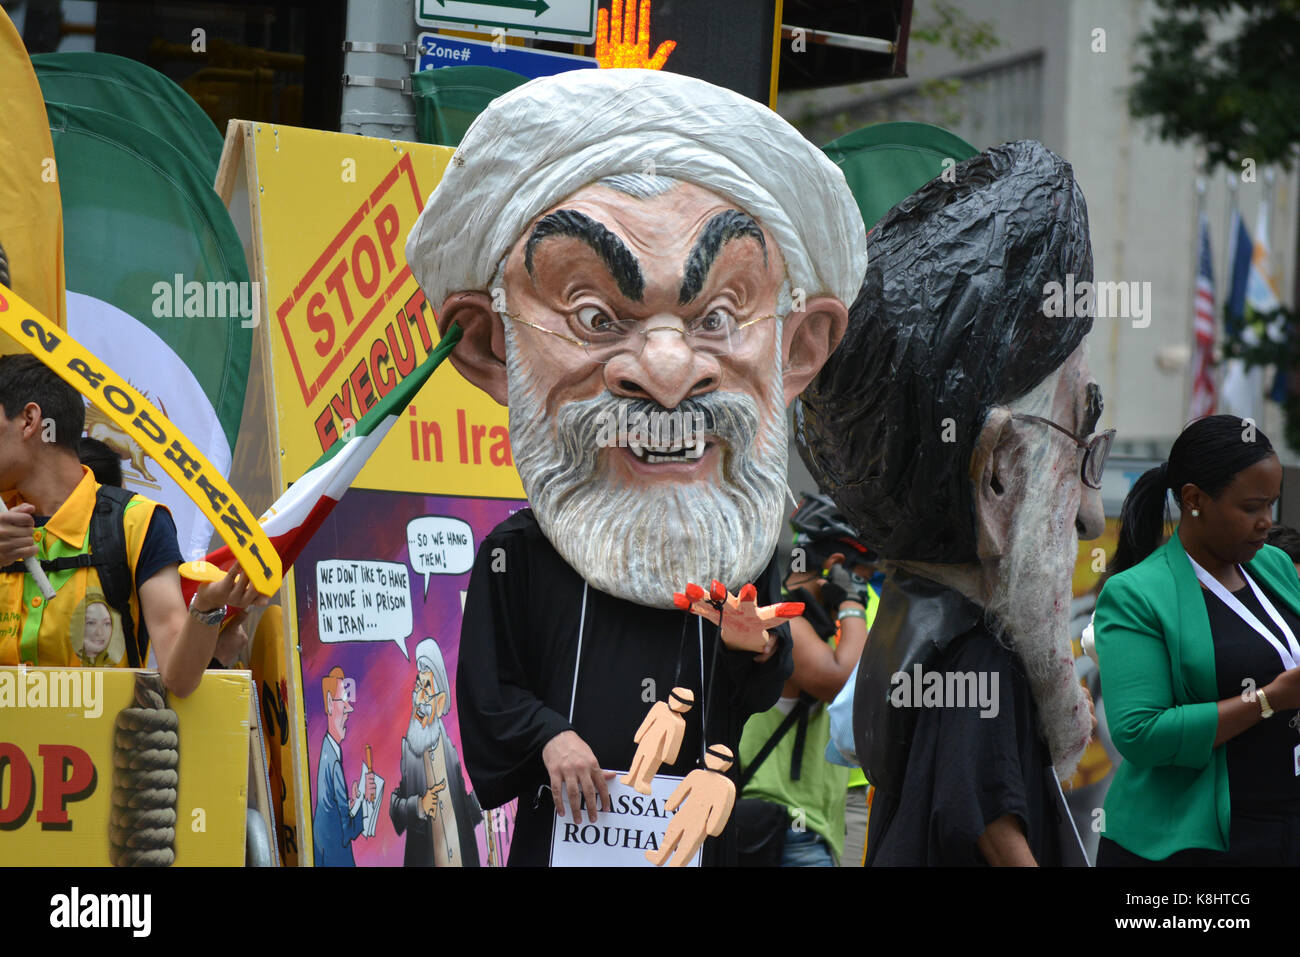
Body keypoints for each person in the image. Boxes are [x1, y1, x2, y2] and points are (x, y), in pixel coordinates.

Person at [405, 68, 867, 865]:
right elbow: (487, 694)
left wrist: (755, 648)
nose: (664, 368)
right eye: (593, 315)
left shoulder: (743, 551)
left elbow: (754, 694)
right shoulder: (518, 557)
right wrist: (551, 739)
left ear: (797, 350)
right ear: (491, 346)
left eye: (718, 315)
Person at [796, 140, 1104, 866]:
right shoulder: (982, 659)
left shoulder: (909, 629)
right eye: (1081, 444)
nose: (1090, 514)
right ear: (997, 476)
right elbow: (990, 823)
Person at [1094, 415, 1300, 865]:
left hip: (1285, 824)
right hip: (1195, 841)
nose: (1267, 522)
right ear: (1194, 500)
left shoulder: (1276, 567)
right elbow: (1140, 733)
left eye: (1272, 504)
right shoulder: (1136, 594)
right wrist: (1268, 700)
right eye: (1251, 507)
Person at [0, 355, 264, 694]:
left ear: (29, 420)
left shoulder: (137, 521)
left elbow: (178, 680)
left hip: (104, 745)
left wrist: (206, 608)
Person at [736, 493, 875, 866]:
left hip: (806, 833)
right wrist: (851, 602)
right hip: (785, 834)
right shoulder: (786, 625)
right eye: (862, 579)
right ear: (837, 566)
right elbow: (845, 686)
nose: (865, 589)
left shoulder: (813, 631)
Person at [390, 637, 482, 866]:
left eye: (426, 690)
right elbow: (395, 808)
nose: (419, 699)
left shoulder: (452, 751)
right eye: (417, 687)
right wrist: (419, 806)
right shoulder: (410, 750)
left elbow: (463, 813)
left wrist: (485, 796)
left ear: (440, 702)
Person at [313, 666, 375, 866]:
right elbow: (346, 830)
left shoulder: (326, 752)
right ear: (330, 704)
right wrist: (365, 799)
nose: (349, 709)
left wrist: (354, 802)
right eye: (344, 701)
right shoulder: (332, 762)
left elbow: (332, 815)